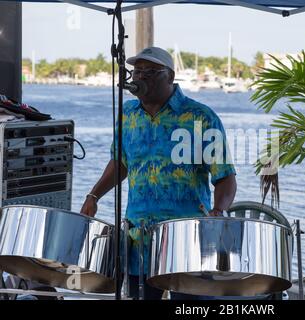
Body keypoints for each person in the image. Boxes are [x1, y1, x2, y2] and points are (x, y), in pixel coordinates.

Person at [80, 46, 237, 300]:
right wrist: (93, 195)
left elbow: (225, 176)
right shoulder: (128, 115)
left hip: (189, 238)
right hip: (138, 238)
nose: (140, 77)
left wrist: (218, 213)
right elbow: (120, 163)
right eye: (137, 71)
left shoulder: (200, 117)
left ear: (170, 77)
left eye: (150, 72)